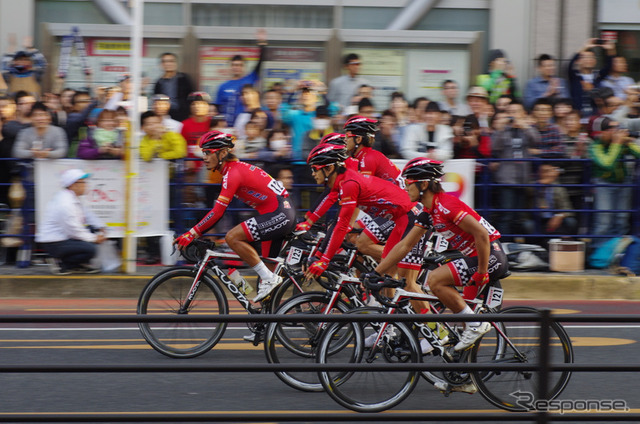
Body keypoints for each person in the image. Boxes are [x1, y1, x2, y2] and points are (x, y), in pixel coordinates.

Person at [369, 158, 506, 351]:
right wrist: (377, 272)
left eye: (409, 183)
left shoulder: (446, 205)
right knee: (466, 330)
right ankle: (462, 377)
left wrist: (482, 271)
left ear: (424, 184)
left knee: (435, 280)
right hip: (476, 257)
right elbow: (405, 245)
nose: (405, 188)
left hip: (490, 256)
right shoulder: (428, 212)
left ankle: (475, 324)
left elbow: (482, 234)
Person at [174, 130, 296, 303]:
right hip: (278, 214)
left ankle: (270, 280)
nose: (205, 157)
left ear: (223, 153)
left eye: (208, 152)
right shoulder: (232, 171)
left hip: (279, 214)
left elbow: (217, 212)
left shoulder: (233, 173)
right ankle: (264, 327)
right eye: (203, 153)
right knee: (266, 283)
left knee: (232, 237)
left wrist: (191, 233)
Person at [35, 169, 106, 275]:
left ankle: (77, 264)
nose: (86, 185)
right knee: (92, 249)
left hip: (64, 237)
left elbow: (88, 214)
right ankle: (64, 264)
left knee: (92, 231)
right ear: (73, 185)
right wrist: (95, 238)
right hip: (54, 242)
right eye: (83, 182)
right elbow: (74, 230)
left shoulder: (72, 198)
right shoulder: (65, 203)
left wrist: (101, 227)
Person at [588, 116, 640, 244]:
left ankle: (616, 254)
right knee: (604, 220)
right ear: (603, 132)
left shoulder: (621, 143)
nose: (617, 131)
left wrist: (629, 143)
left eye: (617, 128)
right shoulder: (595, 145)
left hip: (624, 183)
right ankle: (598, 255)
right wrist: (616, 144)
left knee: (621, 219)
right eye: (612, 129)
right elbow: (607, 163)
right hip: (604, 184)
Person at [216, 29, 268, 126]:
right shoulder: (223, 86)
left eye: (240, 65)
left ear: (244, 67)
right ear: (231, 67)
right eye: (234, 65)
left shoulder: (249, 79)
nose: (237, 67)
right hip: (228, 127)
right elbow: (218, 108)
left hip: (247, 126)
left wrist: (262, 45)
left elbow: (260, 63)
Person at [567, 38, 615, 121]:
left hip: (594, 117)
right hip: (578, 117)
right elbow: (570, 64)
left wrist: (610, 50)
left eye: (591, 57)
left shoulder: (597, 76)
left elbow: (609, 67)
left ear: (595, 61)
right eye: (585, 57)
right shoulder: (575, 76)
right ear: (579, 61)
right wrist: (585, 47)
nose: (588, 60)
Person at [153, 52, 195, 122]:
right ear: (161, 64)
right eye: (165, 61)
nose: (168, 64)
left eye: (171, 61)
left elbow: (192, 97)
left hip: (184, 115)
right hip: (165, 116)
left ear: (176, 63)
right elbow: (156, 100)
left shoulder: (184, 78)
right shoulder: (159, 82)